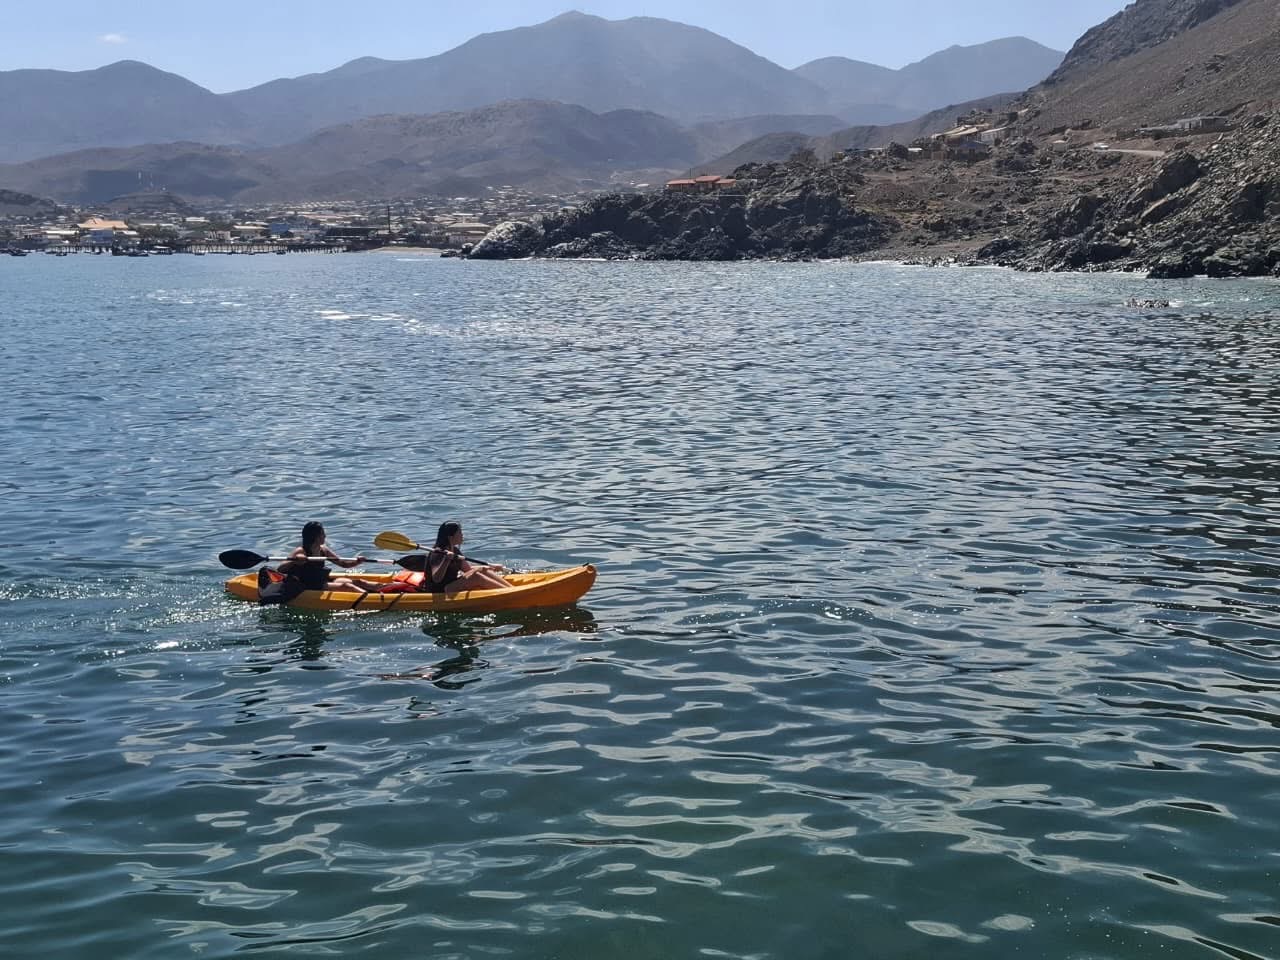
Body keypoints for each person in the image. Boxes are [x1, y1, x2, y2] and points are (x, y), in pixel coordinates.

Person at [276, 521, 381, 594]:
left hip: (322, 580)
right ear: (315, 537)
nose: (325, 536)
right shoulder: (301, 551)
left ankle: (391, 589)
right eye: (322, 534)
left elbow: (343, 564)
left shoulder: (323, 549)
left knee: (360, 582)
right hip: (309, 585)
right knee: (347, 587)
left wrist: (358, 561)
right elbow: (280, 569)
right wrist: (294, 561)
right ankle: (377, 599)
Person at [427, 521, 511, 593]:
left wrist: (490, 567)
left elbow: (468, 569)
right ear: (450, 537)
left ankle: (511, 589)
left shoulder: (455, 550)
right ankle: (508, 593)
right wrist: (446, 560)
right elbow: (436, 579)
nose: (462, 535)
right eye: (459, 533)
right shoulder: (438, 552)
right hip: (441, 590)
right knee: (477, 577)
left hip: (452, 584)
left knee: (483, 570)